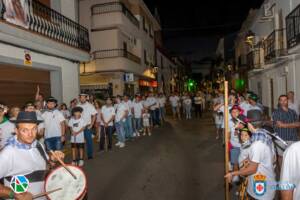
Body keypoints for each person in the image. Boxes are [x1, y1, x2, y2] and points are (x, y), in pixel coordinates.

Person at [0, 111, 64, 200]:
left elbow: (45, 168)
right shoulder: (8, 153)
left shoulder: (38, 145)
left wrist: (53, 160)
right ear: (16, 131)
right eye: (24, 130)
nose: (30, 134)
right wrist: (13, 194)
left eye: (34, 129)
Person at [225, 110, 276, 200]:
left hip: (261, 183)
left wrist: (233, 173)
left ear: (249, 124)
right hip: (265, 178)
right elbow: (273, 158)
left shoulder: (257, 144)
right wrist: (249, 159)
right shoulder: (264, 135)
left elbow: (252, 169)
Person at [272, 94, 300, 170]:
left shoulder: (293, 112)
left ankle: (291, 173)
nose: (283, 102)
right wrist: (292, 124)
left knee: (292, 157)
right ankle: (282, 174)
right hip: (281, 138)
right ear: (279, 101)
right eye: (281, 100)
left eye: (285, 100)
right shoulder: (276, 112)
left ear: (287, 101)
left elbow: (298, 124)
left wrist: (285, 125)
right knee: (281, 157)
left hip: (292, 138)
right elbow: (280, 125)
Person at [77, 93, 97, 159]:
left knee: (89, 141)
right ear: (79, 98)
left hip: (87, 126)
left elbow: (94, 115)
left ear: (86, 98)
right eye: (81, 97)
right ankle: (80, 156)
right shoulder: (77, 105)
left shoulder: (90, 105)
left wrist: (91, 124)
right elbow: (75, 116)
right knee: (79, 141)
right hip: (79, 127)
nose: (82, 99)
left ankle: (90, 155)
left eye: (83, 97)